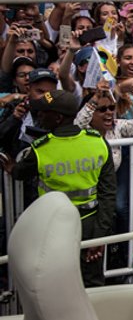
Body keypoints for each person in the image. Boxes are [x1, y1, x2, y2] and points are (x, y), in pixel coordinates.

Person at [2, 89, 116, 287]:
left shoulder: (40, 150)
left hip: (54, 228)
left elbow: (20, 172)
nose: (39, 116)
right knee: (91, 286)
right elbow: (108, 195)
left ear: (57, 118)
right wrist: (99, 236)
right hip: (90, 226)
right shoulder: (98, 143)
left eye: (44, 112)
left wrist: (11, 167)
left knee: (57, 286)